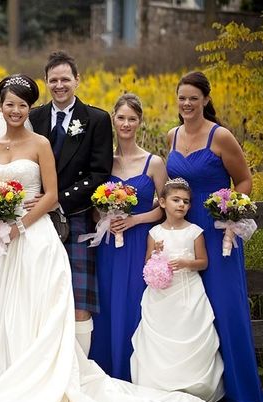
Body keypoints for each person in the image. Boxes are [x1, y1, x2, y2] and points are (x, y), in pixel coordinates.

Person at [0, 74, 217, 402]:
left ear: (28, 109)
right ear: (1, 106)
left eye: (22, 104)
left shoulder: (40, 144)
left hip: (34, 239)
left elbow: (51, 195)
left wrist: (19, 227)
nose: (16, 110)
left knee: (32, 309)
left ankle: (36, 381)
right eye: (10, 104)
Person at [166, 71, 263, 402]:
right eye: (182, 97)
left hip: (217, 232)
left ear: (205, 100)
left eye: (193, 98)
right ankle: (198, 385)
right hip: (183, 233)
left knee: (224, 307)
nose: (186, 104)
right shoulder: (171, 136)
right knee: (189, 308)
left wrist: (229, 213)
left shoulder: (221, 136)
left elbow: (244, 180)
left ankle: (240, 389)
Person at [28, 51, 113, 355]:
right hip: (37, 220)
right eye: (54, 80)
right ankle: (46, 366)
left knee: (80, 301)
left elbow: (100, 172)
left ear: (78, 80)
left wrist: (57, 200)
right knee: (41, 297)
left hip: (75, 217)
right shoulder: (33, 117)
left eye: (66, 79)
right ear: (46, 82)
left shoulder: (97, 119)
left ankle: (82, 371)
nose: (59, 85)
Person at [90, 93, 167, 381]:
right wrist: (105, 219)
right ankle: (104, 371)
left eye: (131, 118)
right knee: (107, 304)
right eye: (121, 117)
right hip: (108, 246)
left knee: (135, 302)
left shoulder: (154, 163)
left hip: (139, 245)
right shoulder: (103, 163)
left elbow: (165, 207)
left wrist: (135, 219)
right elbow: (93, 209)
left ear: (139, 122)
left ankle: (136, 372)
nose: (125, 123)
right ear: (114, 119)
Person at [130, 178, 224, 402]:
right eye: (176, 200)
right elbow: (147, 265)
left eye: (186, 201)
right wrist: (157, 255)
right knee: (162, 337)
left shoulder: (195, 231)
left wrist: (186, 263)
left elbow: (203, 262)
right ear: (162, 202)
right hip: (162, 294)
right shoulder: (154, 233)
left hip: (188, 291)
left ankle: (195, 386)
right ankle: (159, 385)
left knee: (189, 331)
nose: (181, 205)